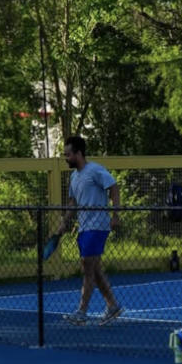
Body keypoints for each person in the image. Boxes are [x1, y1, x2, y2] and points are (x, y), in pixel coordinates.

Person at [55, 135, 123, 325]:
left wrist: (116, 215)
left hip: (98, 226)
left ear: (78, 153)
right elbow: (73, 203)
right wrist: (64, 223)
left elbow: (114, 187)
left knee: (87, 267)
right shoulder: (74, 177)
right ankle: (113, 305)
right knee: (94, 269)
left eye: (68, 155)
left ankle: (82, 311)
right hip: (84, 227)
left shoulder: (95, 170)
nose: (66, 158)